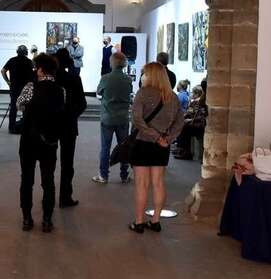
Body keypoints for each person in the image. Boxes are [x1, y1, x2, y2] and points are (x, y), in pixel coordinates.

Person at [129, 62, 184, 234]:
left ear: (151, 75)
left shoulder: (143, 93)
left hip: (143, 142)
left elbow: (137, 119)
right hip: (162, 146)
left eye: (145, 73)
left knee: (142, 184)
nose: (142, 76)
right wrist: (167, 139)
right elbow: (179, 122)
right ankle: (155, 221)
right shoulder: (172, 96)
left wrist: (156, 137)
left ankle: (139, 222)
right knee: (158, 183)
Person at [17, 54, 66, 233]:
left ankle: (27, 219)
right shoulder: (60, 90)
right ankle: (47, 219)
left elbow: (19, 105)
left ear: (40, 69)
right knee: (48, 181)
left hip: (29, 139)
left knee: (27, 180)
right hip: (49, 141)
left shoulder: (30, 87)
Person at [93, 52, 132, 184]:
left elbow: (99, 92)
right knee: (124, 147)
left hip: (108, 117)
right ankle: (124, 175)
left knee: (105, 147)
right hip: (123, 118)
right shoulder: (128, 79)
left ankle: (103, 175)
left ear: (112, 63)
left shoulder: (105, 78)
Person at [54, 48, 86, 208]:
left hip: (51, 125)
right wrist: (72, 115)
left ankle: (49, 196)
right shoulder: (74, 78)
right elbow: (82, 104)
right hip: (69, 125)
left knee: (48, 164)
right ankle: (65, 197)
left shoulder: (50, 79)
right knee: (67, 163)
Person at [1, 45, 34, 133]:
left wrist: (8, 81)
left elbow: (3, 71)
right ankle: (25, 127)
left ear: (17, 52)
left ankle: (11, 128)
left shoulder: (12, 60)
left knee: (13, 108)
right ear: (26, 52)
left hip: (14, 88)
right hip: (25, 89)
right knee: (26, 108)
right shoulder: (29, 62)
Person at [175, 86, 208, 160]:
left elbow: (201, 117)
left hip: (199, 125)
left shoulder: (199, 102)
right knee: (182, 125)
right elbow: (189, 113)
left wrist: (190, 120)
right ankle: (181, 148)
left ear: (197, 94)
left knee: (185, 128)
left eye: (193, 92)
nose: (191, 94)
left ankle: (185, 151)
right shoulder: (194, 102)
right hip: (196, 123)